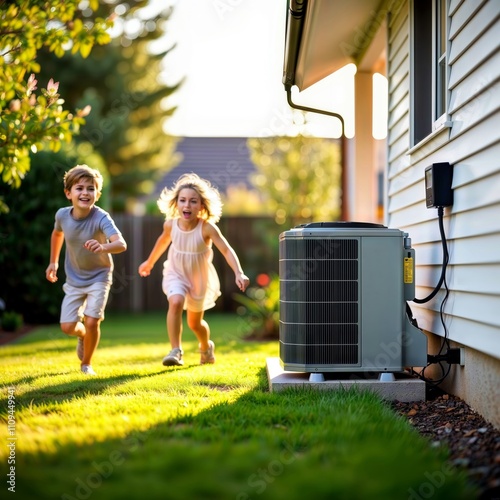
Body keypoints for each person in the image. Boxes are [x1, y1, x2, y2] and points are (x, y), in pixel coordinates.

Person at [138, 173, 250, 367]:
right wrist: (149, 262)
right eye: (182, 201)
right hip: (176, 273)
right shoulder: (170, 225)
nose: (187, 206)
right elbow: (162, 242)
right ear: (176, 204)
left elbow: (226, 249)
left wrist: (238, 272)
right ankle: (176, 350)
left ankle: (206, 347)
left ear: (201, 206)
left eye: (192, 201)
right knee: (175, 302)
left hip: (199, 279)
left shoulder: (207, 228)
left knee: (195, 324)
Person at [45, 164, 127, 376]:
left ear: (97, 194)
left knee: (92, 320)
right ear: (68, 193)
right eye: (79, 188)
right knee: (67, 327)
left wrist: (103, 246)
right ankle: (82, 335)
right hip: (74, 278)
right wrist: (53, 262)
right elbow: (57, 235)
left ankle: (86, 364)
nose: (85, 193)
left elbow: (121, 244)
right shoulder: (62, 215)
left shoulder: (101, 217)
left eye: (90, 189)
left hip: (100, 276)